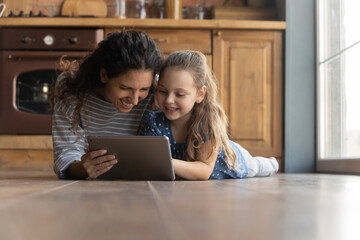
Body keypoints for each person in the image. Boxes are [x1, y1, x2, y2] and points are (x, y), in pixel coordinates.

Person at [140, 50, 279, 180]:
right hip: (185, 177)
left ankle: (272, 163)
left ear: (200, 94)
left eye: (180, 94)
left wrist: (165, 162)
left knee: (256, 167)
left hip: (233, 162)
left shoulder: (207, 121)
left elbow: (204, 170)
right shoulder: (153, 121)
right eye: (163, 92)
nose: (169, 100)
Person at [52, 30, 163, 179]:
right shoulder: (71, 86)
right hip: (90, 186)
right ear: (104, 75)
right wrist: (83, 168)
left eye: (144, 89)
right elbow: (66, 152)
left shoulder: (158, 87)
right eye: (125, 88)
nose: (135, 101)